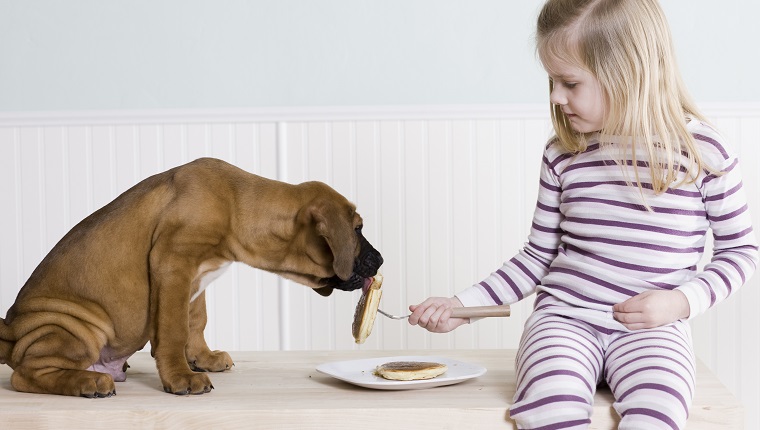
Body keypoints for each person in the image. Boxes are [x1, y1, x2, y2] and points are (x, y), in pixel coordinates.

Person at [408, 0, 759, 428]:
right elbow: (537, 257)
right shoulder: (563, 154)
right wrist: (463, 305)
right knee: (549, 406)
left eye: (570, 83)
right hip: (564, 320)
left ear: (627, 75)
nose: (556, 97)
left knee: (658, 413)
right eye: (552, 82)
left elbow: (741, 251)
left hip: (653, 332)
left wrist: (681, 302)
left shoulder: (704, 155)